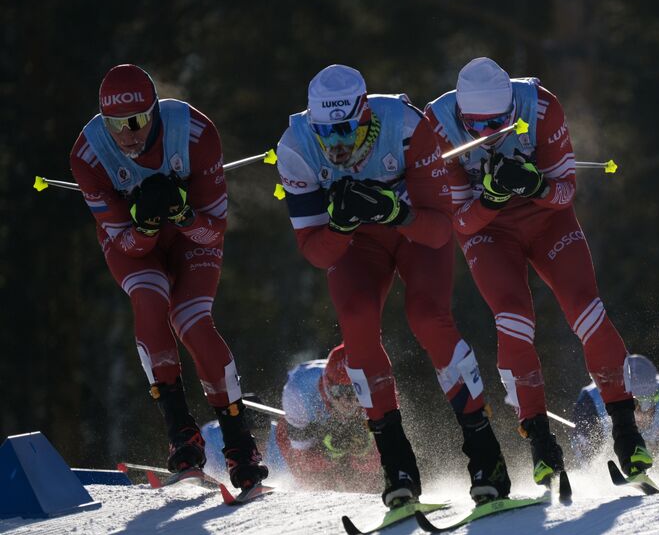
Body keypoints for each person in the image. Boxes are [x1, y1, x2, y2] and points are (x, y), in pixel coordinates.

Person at [275, 64, 510, 507]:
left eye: (345, 129)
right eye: (325, 131)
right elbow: (315, 251)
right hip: (359, 242)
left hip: (413, 232)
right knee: (356, 322)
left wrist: (393, 211)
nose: (337, 144)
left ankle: (486, 456)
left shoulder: (406, 126)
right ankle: (397, 466)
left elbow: (441, 230)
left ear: (364, 115)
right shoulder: (296, 145)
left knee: (428, 318)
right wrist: (341, 226)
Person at [422, 57, 652, 487]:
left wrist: (535, 185)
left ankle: (626, 429)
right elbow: (461, 221)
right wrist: (490, 196)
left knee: (587, 312)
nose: (490, 135)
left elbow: (565, 192)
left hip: (547, 221)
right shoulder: (435, 127)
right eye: (479, 126)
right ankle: (540, 442)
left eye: (500, 122)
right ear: (461, 116)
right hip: (490, 232)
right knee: (512, 321)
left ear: (513, 108)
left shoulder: (541, 105)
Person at [69, 64, 267, 493]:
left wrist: (180, 213)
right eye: (116, 125)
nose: (128, 134)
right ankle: (184, 439)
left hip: (190, 237)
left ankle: (240, 448)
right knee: (149, 300)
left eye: (137, 121)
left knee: (194, 322)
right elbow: (130, 247)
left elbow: (213, 230)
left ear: (155, 112)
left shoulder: (195, 133)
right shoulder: (87, 155)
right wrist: (144, 225)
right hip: (135, 245)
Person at [570, 355, 659, 460]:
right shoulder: (591, 402)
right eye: (634, 404)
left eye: (649, 402)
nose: (643, 412)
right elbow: (581, 447)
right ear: (623, 404)